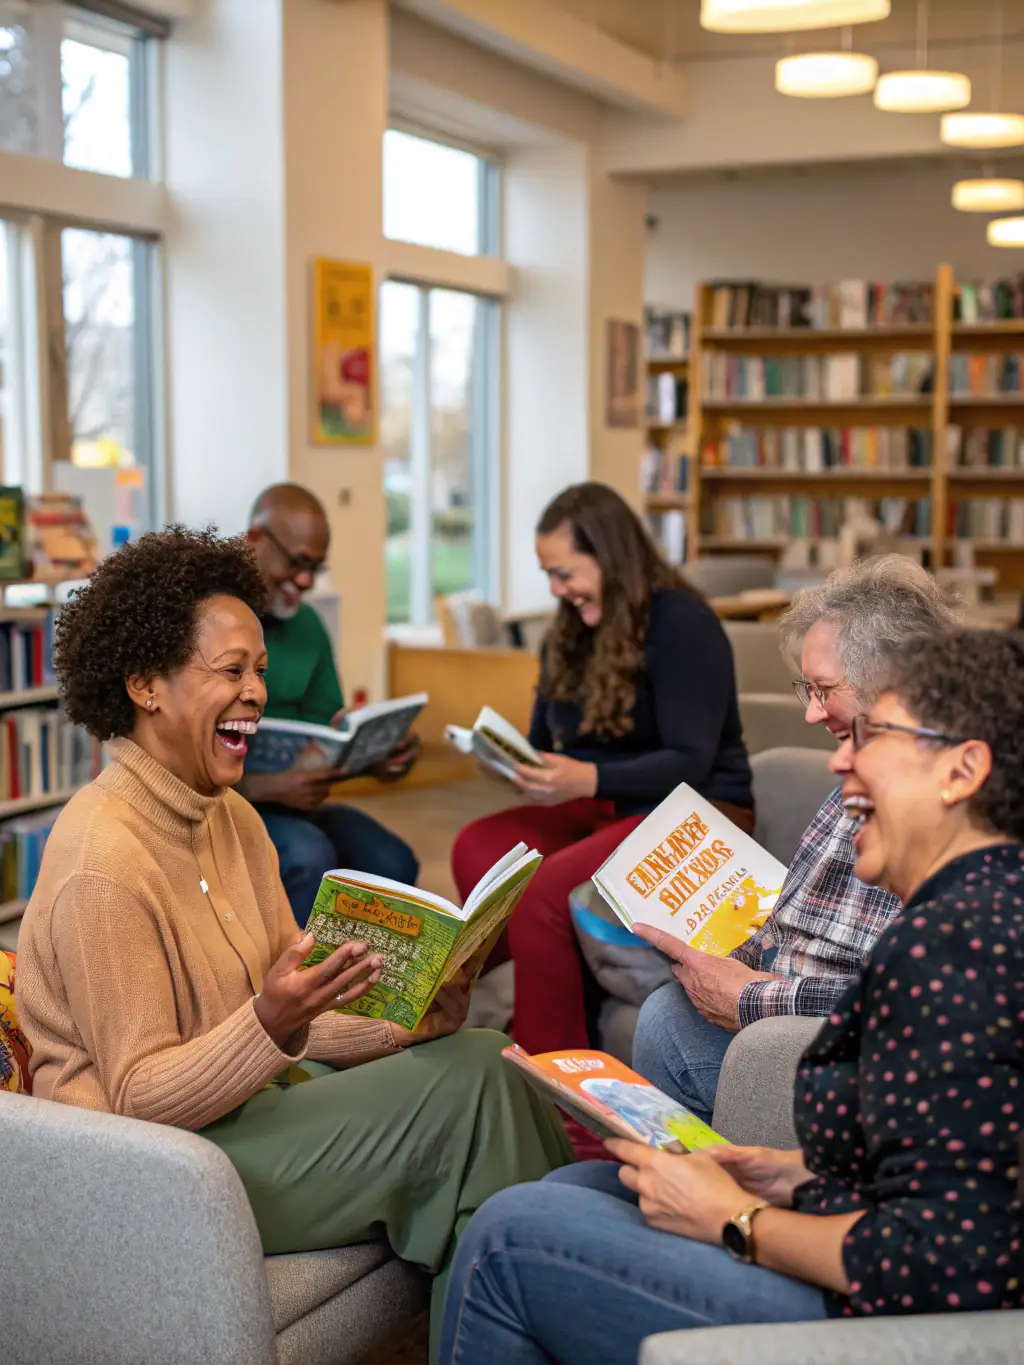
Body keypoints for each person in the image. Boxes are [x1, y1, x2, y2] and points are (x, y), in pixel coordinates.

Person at [14, 528, 573, 1349]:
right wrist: (269, 1021)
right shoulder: (102, 861)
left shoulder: (234, 818)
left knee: (486, 1055)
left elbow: (299, 1015)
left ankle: (530, 1310)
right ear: (145, 685)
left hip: (253, 1110)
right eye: (231, 670)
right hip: (160, 1168)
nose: (256, 693)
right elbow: (136, 1097)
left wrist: (405, 1022)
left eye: (260, 670)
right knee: (469, 1105)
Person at [439, 628, 1024, 1365]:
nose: (840, 757)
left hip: (887, 1317)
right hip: (857, 1224)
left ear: (962, 770)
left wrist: (738, 1216)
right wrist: (785, 1175)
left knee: (508, 1233)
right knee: (580, 1181)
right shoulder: (970, 912)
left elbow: (944, 1264)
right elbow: (956, 1171)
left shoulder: (957, 948)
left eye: (875, 736)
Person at [633, 556, 957, 1123]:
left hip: (823, 1044)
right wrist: (715, 948)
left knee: (666, 1024)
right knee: (668, 1009)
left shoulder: (945, 809)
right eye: (806, 689)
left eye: (824, 689)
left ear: (895, 684)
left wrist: (751, 998)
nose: (810, 714)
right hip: (780, 1005)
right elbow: (790, 920)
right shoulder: (855, 774)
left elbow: (916, 998)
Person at [452, 482, 753, 1057]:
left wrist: (584, 778)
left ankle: (553, 1074)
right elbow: (543, 742)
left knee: (544, 891)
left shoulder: (682, 622)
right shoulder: (568, 631)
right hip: (603, 804)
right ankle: (533, 995)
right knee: (477, 845)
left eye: (565, 573)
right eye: (549, 575)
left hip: (695, 808)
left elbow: (691, 760)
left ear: (610, 557)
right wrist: (516, 765)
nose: (556, 589)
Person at [241, 483, 419, 924]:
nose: (305, 581)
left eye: (315, 568)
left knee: (393, 862)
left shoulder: (308, 625)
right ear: (254, 539)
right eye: (296, 562)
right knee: (308, 853)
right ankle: (294, 970)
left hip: (295, 806)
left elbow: (326, 736)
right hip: (228, 808)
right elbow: (175, 766)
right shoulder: (216, 623)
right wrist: (266, 787)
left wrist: (377, 756)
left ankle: (362, 970)